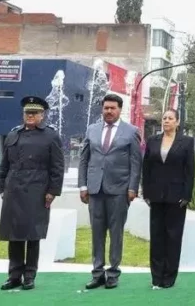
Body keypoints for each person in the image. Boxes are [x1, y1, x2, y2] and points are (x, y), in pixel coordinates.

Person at [0, 96, 65, 291]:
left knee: (33, 234)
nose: (30, 116)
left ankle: (29, 275)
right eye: (27, 112)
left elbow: (57, 166)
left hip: (37, 189)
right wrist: (1, 186)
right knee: (13, 234)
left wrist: (52, 191)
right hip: (13, 190)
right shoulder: (13, 134)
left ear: (42, 115)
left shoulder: (50, 136)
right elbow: (5, 163)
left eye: (34, 113)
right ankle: (14, 275)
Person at [78, 93, 143, 290]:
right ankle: (97, 273)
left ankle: (113, 273)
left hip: (119, 191)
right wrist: (83, 185)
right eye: (106, 108)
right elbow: (84, 159)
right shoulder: (92, 129)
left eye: (112, 108)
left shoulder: (131, 131)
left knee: (116, 233)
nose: (108, 111)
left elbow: (135, 163)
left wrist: (133, 187)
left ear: (119, 110)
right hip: (95, 190)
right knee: (97, 233)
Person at [142, 109, 195, 288]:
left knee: (173, 237)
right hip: (156, 196)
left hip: (177, 197)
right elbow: (147, 168)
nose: (166, 121)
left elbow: (190, 171)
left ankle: (169, 277)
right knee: (157, 237)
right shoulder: (152, 141)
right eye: (164, 118)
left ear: (177, 122)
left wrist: (186, 195)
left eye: (170, 118)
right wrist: (146, 192)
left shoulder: (186, 142)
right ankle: (156, 277)